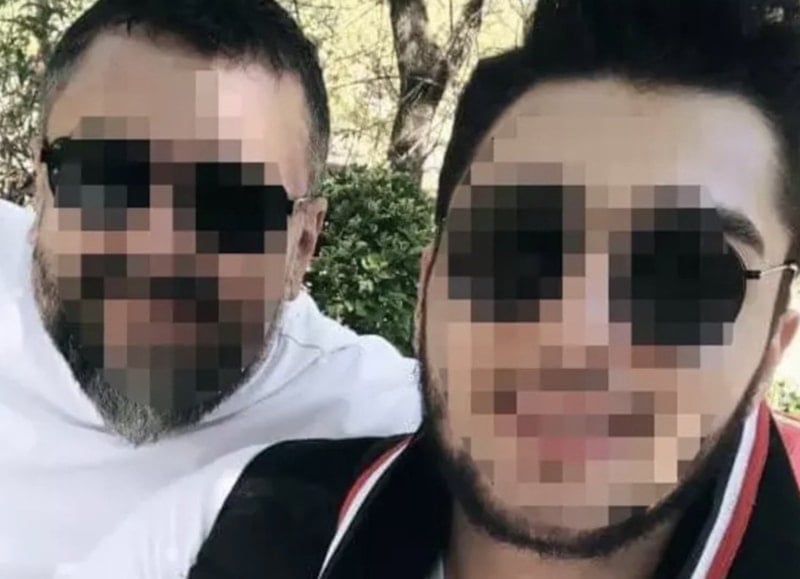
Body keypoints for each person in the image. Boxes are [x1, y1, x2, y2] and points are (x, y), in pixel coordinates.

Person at [174, 0, 800, 577]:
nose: (573, 337)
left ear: (775, 342)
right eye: (513, 250)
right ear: (425, 293)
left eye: (687, 278)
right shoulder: (234, 530)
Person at [0, 0, 420, 577]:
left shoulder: (380, 423)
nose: (157, 249)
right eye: (108, 180)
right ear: (41, 189)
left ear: (303, 245)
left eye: (231, 204)